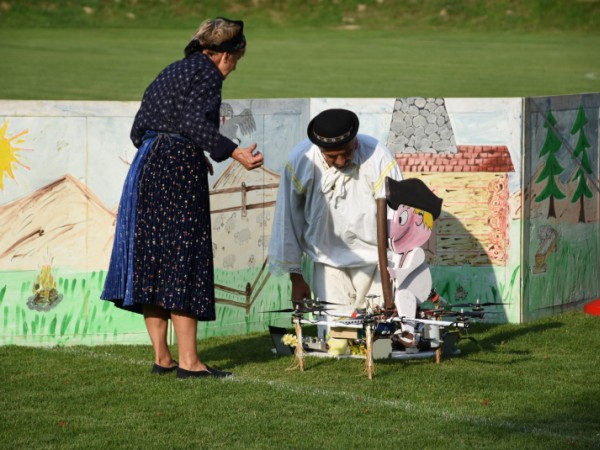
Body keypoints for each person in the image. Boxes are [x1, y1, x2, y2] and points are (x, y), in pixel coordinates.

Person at [101, 17, 263, 379]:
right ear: (226, 54)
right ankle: (190, 363)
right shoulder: (207, 75)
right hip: (175, 173)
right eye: (237, 59)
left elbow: (138, 128)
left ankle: (163, 358)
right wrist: (233, 152)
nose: (235, 67)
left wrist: (188, 150)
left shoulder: (171, 71)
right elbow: (193, 121)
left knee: (151, 261)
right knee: (182, 260)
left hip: (145, 166)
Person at [268, 108, 402, 323]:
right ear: (319, 148)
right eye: (332, 156)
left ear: (355, 141)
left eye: (347, 152)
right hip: (327, 263)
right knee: (337, 339)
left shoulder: (377, 156)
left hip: (377, 263)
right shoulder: (301, 160)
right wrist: (297, 278)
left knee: (380, 335)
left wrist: (394, 272)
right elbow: (287, 220)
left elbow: (398, 217)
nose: (341, 161)